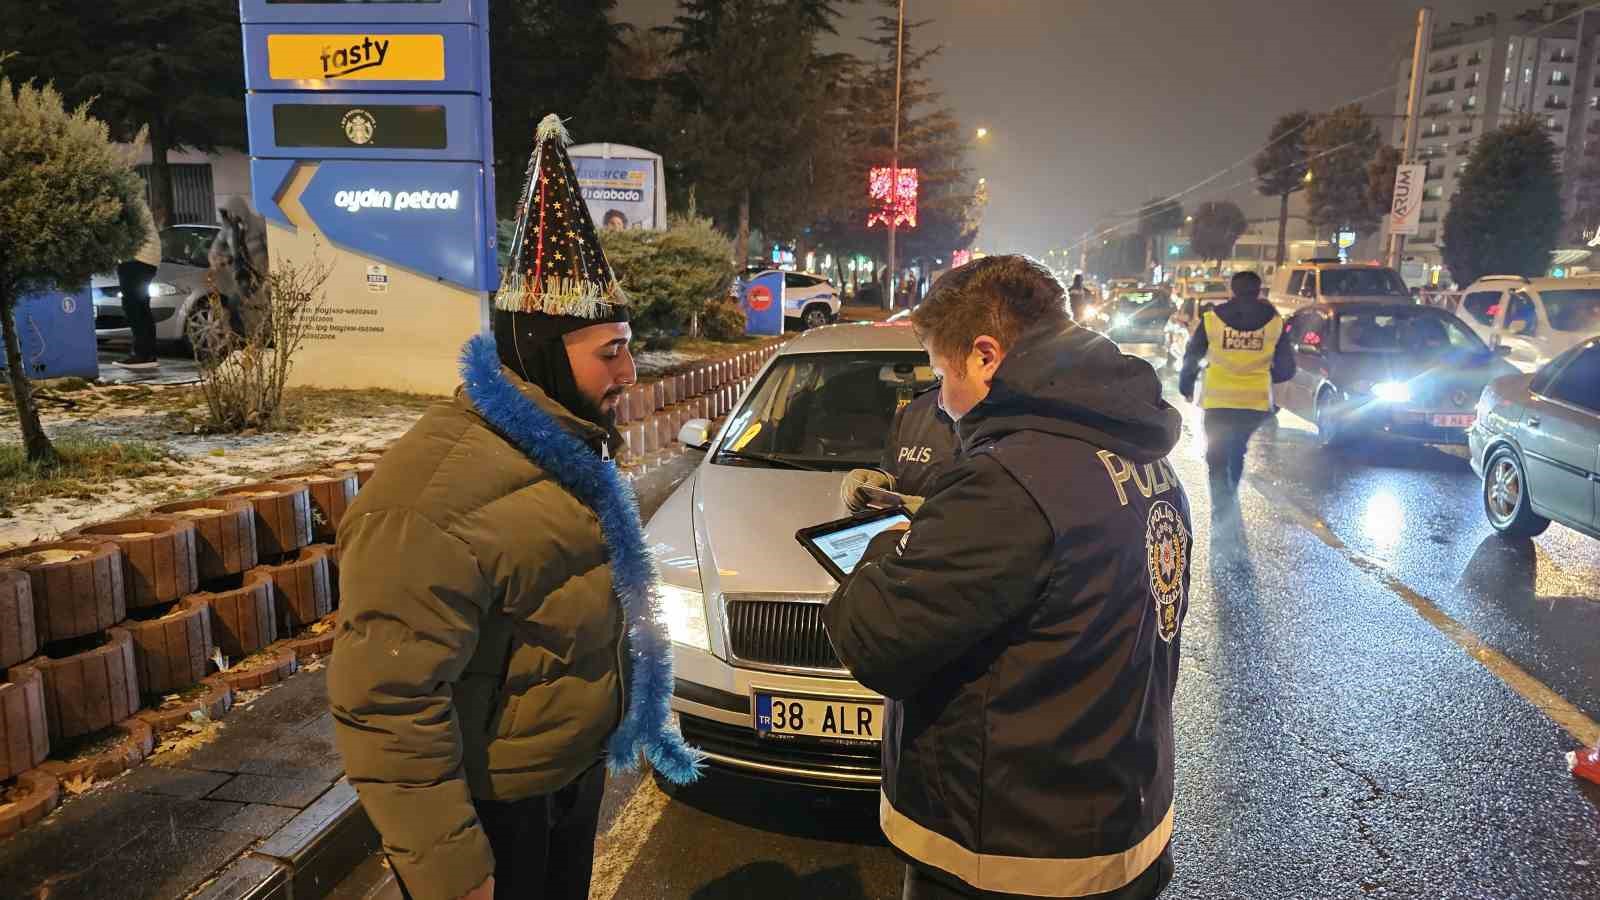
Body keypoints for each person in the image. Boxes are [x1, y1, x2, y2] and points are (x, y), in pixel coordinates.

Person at [328, 115, 700, 900]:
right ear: (536, 352)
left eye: (629, 345)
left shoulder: (564, 454)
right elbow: (386, 702)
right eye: (610, 351)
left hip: (565, 784)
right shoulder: (428, 503)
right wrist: (452, 870)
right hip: (494, 814)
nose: (631, 370)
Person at [822, 255, 1190, 900]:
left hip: (1007, 849)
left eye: (941, 374)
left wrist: (888, 543)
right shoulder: (1143, 457)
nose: (940, 399)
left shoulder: (1008, 479)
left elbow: (874, 638)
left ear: (986, 356)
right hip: (1122, 816)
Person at [1177, 270, 1294, 509]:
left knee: (1216, 452)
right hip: (1254, 401)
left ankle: (1221, 499)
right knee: (1238, 448)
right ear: (1259, 290)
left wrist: (1186, 385)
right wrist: (1267, 375)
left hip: (1218, 399)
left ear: (1232, 290)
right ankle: (1229, 493)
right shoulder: (1274, 322)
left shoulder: (1212, 319)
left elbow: (1192, 355)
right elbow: (1287, 367)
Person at [839, 379, 959, 514]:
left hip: (951, 533)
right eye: (939, 375)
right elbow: (895, 470)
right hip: (905, 531)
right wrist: (881, 482)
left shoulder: (984, 422)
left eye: (946, 372)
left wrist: (928, 511)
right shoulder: (915, 408)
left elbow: (980, 504)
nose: (940, 400)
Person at [114, 201, 163, 370]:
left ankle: (142, 354)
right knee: (141, 307)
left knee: (133, 306)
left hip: (137, 257)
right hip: (147, 257)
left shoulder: (123, 199)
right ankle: (148, 354)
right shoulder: (132, 197)